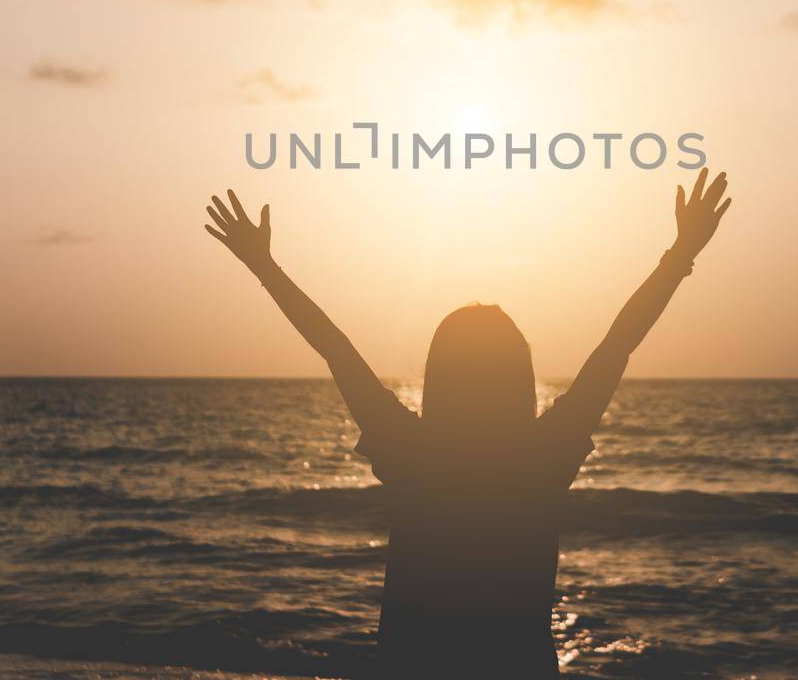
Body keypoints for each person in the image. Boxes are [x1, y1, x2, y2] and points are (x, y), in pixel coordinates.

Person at [204, 169, 731, 677]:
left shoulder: (414, 451)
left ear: (440, 375)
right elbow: (617, 346)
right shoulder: (543, 454)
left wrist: (264, 267)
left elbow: (334, 349)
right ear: (519, 376)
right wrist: (680, 254)